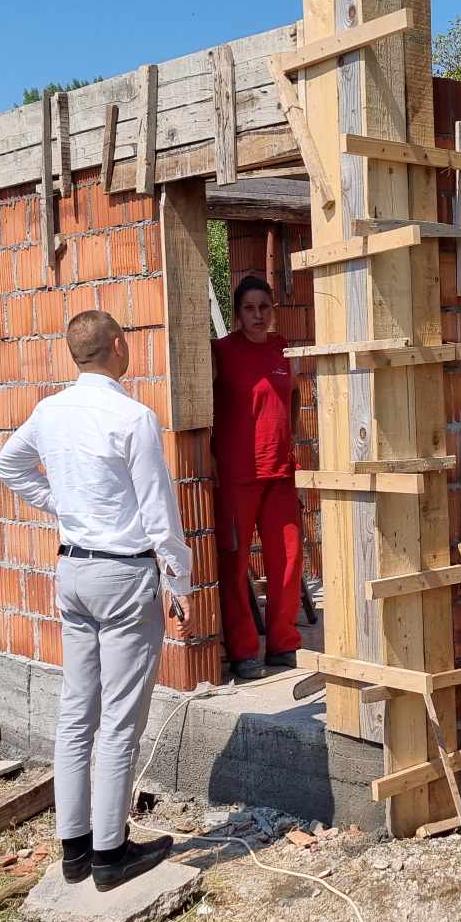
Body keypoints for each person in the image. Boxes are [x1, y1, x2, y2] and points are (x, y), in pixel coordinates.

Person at [0, 310, 185, 890]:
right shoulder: (133, 417)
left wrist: (66, 507)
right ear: (119, 347)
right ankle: (110, 855)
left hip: (73, 572)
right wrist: (179, 578)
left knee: (77, 714)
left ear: (74, 354)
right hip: (123, 576)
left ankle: (73, 850)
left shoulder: (51, 411)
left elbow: (8, 465)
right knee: (120, 721)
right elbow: (158, 509)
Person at [210, 275, 305, 682]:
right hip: (236, 476)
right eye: (249, 308)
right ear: (237, 313)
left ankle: (283, 643)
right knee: (234, 566)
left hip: (281, 474)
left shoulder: (283, 350)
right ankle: (245, 651)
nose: (258, 315)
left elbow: (295, 396)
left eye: (264, 307)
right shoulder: (221, 352)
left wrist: (291, 439)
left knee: (288, 560)